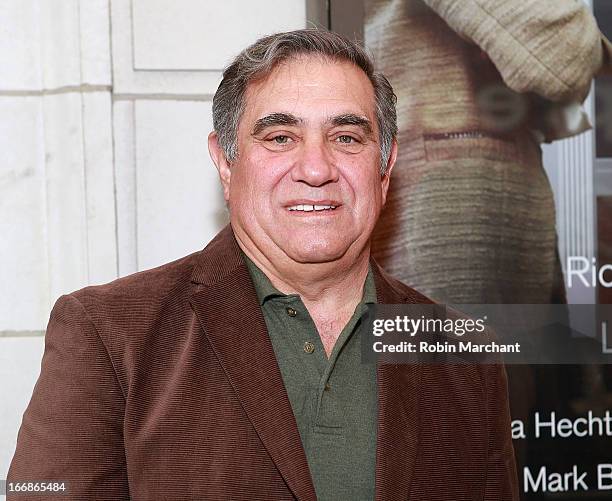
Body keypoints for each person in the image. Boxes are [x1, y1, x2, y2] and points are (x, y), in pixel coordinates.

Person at [8, 29, 519, 500]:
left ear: (384, 168)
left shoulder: (462, 354)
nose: (316, 169)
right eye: (280, 137)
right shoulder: (110, 334)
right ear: (225, 164)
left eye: (346, 137)